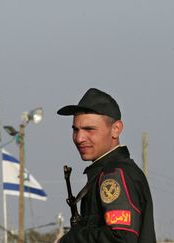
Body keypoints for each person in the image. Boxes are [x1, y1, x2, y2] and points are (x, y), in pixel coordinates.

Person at [56, 88, 156, 243]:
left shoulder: (114, 174)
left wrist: (75, 238)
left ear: (115, 129)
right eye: (75, 130)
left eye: (89, 129)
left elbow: (121, 239)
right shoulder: (106, 172)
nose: (79, 138)